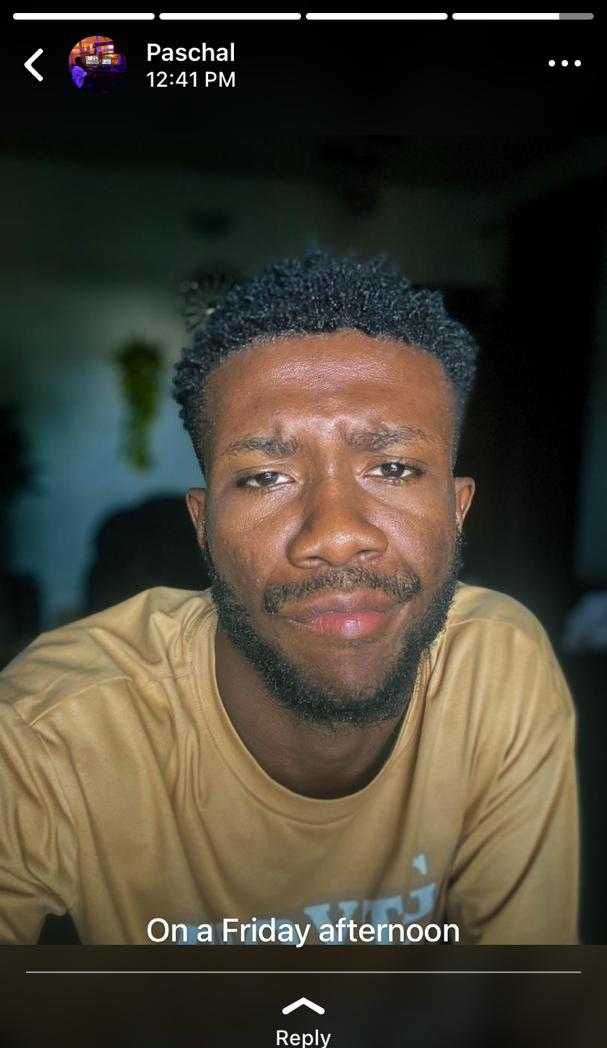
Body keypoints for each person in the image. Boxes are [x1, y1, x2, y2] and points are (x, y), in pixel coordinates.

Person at [0, 253, 578, 945]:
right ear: (204, 527)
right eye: (266, 477)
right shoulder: (47, 727)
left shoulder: (497, 666)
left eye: (393, 467)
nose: (335, 536)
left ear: (457, 511)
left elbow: (528, 998)